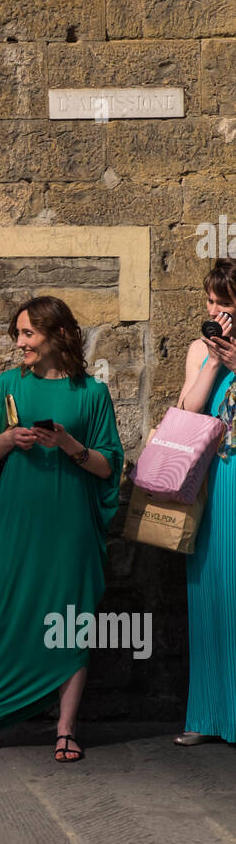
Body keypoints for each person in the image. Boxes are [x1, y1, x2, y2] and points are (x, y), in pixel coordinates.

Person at [0, 296, 123, 763]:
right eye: (17, 334)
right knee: (4, 614)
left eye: (27, 334)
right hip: (17, 523)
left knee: (71, 619)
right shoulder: (8, 385)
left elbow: (108, 467)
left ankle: (65, 728)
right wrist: (8, 439)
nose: (19, 343)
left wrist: (68, 444)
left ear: (58, 334)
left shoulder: (92, 394)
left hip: (70, 526)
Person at [178, 258, 236, 746]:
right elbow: (187, 410)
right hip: (215, 480)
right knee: (210, 592)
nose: (216, 312)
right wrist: (215, 361)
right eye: (212, 302)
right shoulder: (201, 347)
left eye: (226, 303)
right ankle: (207, 714)